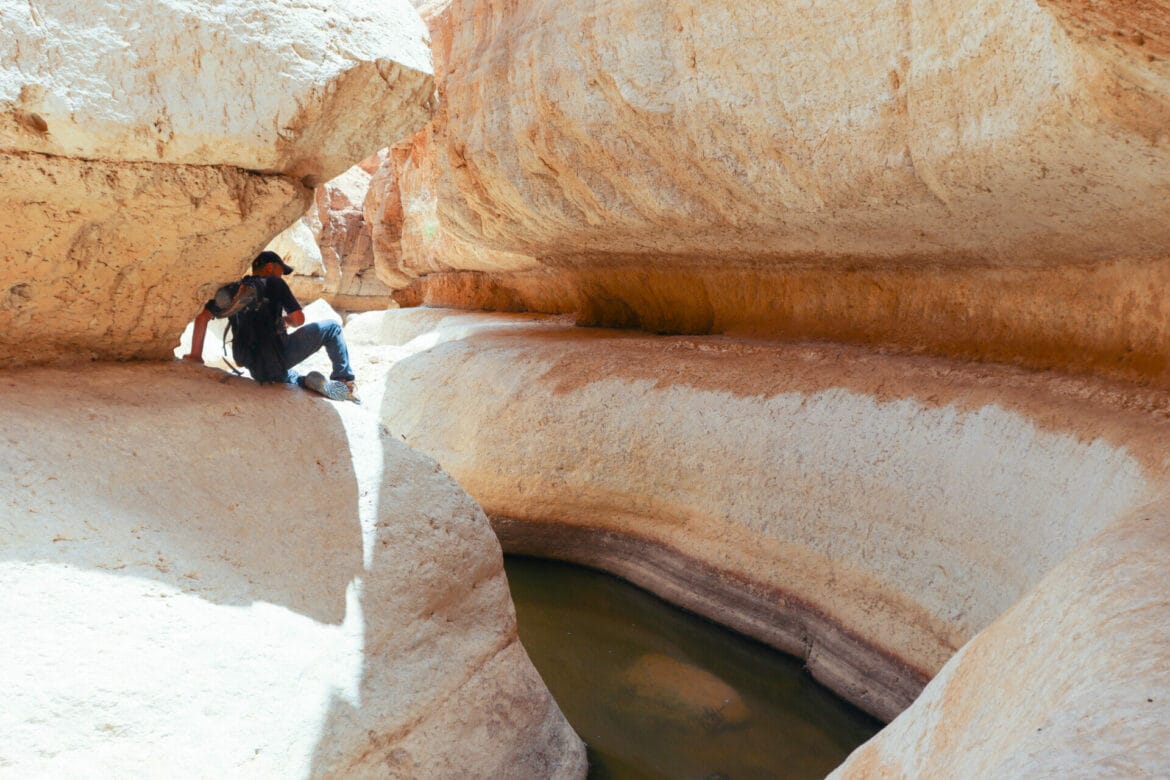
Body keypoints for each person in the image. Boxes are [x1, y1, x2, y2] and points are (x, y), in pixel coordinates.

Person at [183, 251, 357, 396]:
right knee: (333, 328)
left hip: (253, 366)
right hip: (278, 356)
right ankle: (344, 382)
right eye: (281, 270)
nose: (282, 275)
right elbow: (299, 320)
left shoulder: (235, 288)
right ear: (270, 267)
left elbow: (202, 316)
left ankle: (304, 381)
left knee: (287, 375)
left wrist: (196, 356)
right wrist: (286, 321)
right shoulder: (275, 283)